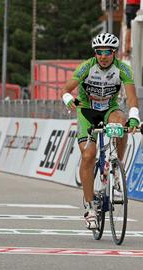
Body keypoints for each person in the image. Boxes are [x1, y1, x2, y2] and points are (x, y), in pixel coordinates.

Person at [60, 33, 140, 230]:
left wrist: (134, 117)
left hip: (109, 110)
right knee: (88, 156)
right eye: (99, 52)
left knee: (122, 124)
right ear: (95, 53)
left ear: (114, 53)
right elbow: (66, 88)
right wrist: (68, 99)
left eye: (107, 52)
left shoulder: (123, 69)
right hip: (87, 111)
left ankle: (115, 167)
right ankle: (89, 208)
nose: (103, 56)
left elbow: (131, 96)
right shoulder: (87, 66)